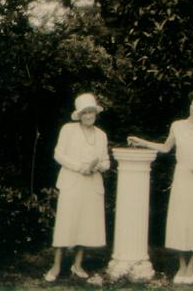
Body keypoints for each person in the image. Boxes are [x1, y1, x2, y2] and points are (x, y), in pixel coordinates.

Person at [127, 88, 193, 285]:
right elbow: (165, 148)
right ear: (189, 106)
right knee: (182, 219)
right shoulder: (177, 126)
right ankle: (182, 264)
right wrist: (141, 142)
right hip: (183, 177)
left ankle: (192, 265)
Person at [44, 93, 111, 282]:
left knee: (86, 225)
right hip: (72, 182)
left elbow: (106, 161)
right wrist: (79, 167)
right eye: (85, 113)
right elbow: (58, 154)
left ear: (96, 113)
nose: (89, 116)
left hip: (92, 184)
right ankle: (56, 266)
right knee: (65, 224)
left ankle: (78, 264)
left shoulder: (101, 135)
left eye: (91, 112)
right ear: (79, 115)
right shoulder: (68, 130)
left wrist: (99, 166)